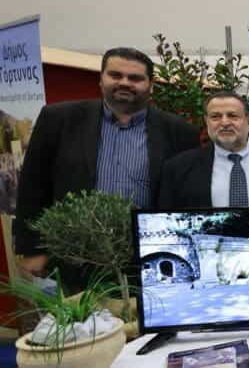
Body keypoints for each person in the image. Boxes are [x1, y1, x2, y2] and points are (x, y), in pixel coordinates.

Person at [13, 46, 200, 276]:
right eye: (115, 75)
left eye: (135, 78)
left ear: (151, 85)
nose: (125, 83)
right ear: (101, 80)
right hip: (75, 256)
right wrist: (32, 249)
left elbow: (188, 197)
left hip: (149, 259)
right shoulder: (59, 119)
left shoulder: (180, 132)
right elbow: (33, 185)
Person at [157, 92, 249, 208]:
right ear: (206, 122)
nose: (224, 122)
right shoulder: (177, 168)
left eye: (232, 116)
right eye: (215, 117)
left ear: (248, 121)